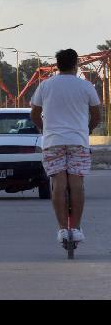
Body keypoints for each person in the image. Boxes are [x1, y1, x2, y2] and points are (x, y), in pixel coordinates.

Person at [30, 48, 101, 245]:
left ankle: (62, 229)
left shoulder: (46, 86)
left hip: (53, 142)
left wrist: (46, 129)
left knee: (58, 184)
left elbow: (34, 114)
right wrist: (86, 130)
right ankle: (76, 228)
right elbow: (96, 116)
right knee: (77, 183)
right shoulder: (86, 86)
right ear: (76, 64)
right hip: (78, 141)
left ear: (57, 65)